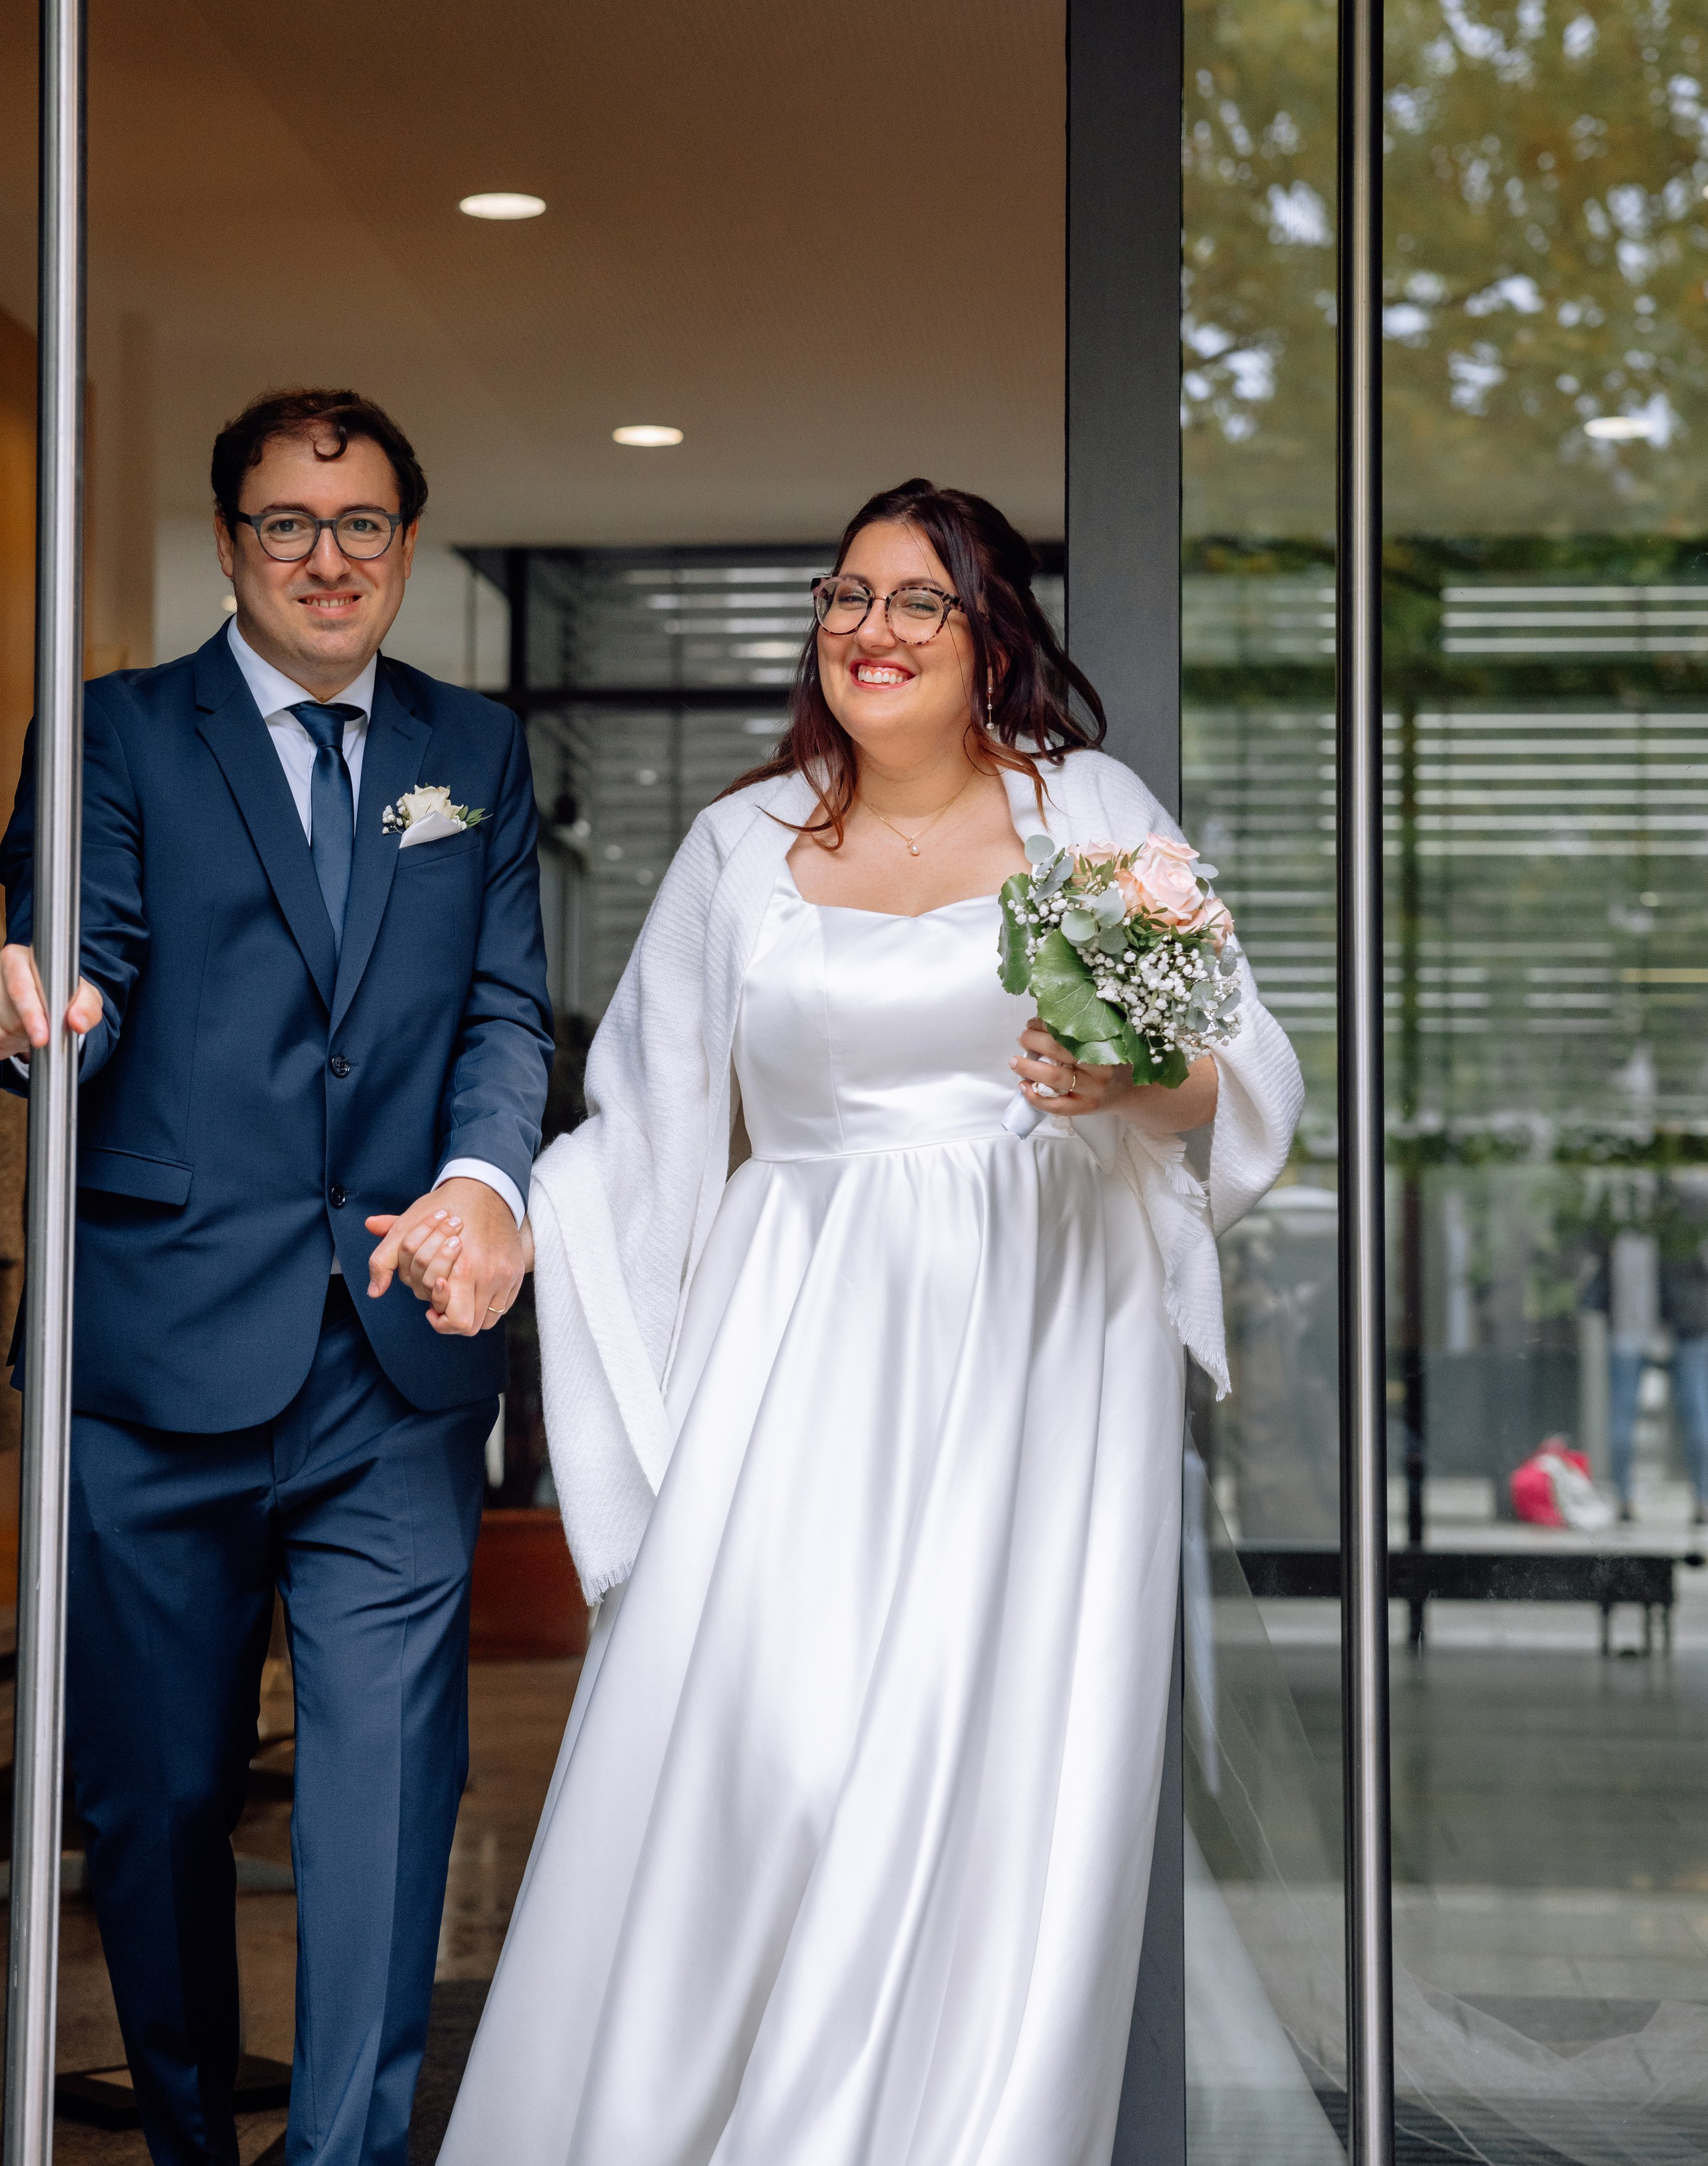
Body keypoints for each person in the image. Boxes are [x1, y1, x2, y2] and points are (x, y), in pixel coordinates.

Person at [424, 478, 1302, 2166]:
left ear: (991, 640)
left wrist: (1129, 1072)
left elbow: (1233, 1077)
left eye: (918, 601)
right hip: (802, 1353)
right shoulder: (741, 842)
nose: (871, 631)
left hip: (1046, 1342)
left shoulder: (1087, 811)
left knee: (994, 1761)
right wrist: (512, 1215)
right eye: (845, 596)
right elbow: (646, 1120)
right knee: (775, 1737)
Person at [0, 388, 553, 2166]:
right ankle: (180, 2133)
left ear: (409, 537)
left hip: (393, 1357)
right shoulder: (112, 734)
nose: (331, 558)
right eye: (290, 524)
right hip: (150, 1353)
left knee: (388, 1791)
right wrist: (51, 1024)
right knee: (151, 1803)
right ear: (234, 541)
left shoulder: (476, 748)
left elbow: (502, 1009)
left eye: (365, 522)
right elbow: (71, 957)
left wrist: (480, 1179)